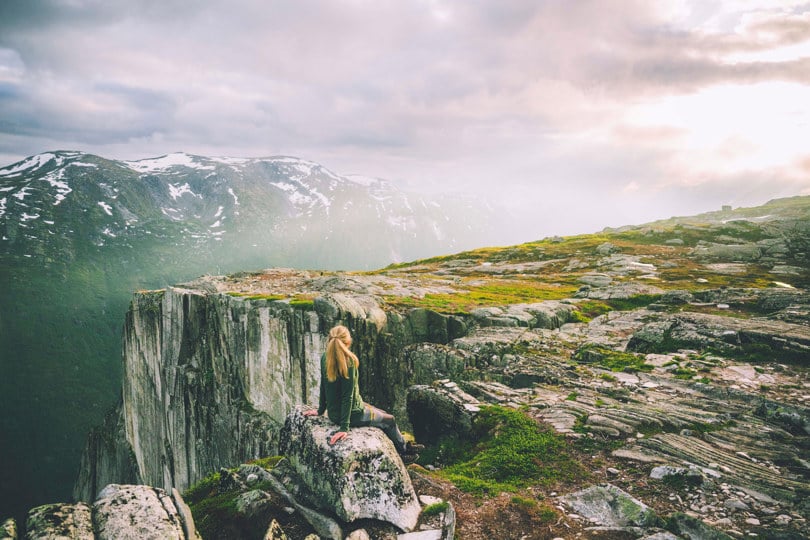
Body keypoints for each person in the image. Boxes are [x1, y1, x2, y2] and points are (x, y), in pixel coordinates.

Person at [303, 325, 422, 459]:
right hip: (353, 415)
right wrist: (344, 428)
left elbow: (323, 386)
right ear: (347, 342)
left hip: (334, 413)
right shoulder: (349, 362)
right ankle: (404, 451)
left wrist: (320, 411)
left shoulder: (325, 358)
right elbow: (347, 397)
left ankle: (404, 444)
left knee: (381, 412)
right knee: (390, 420)